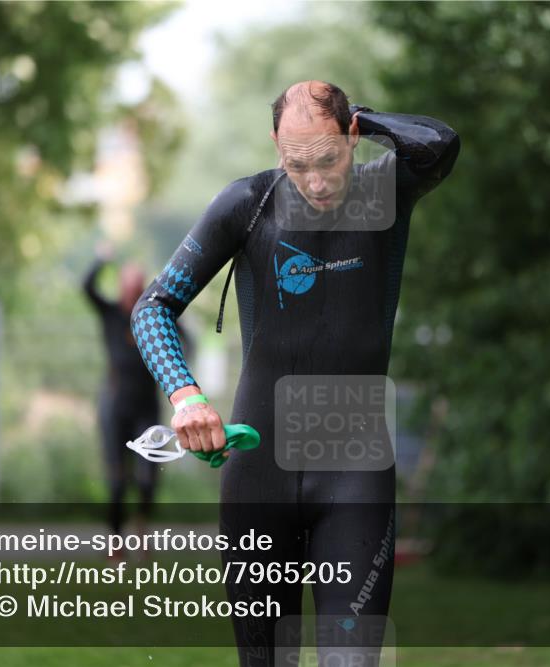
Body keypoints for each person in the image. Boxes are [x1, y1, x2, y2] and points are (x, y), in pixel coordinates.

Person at [132, 80, 459, 665]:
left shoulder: (384, 189)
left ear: (353, 135)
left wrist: (367, 119)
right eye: (296, 163)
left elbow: (441, 142)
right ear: (274, 146)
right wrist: (186, 397)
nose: (314, 181)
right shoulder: (247, 203)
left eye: (328, 159)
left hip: (354, 473)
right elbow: (152, 308)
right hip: (259, 475)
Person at [83, 243, 172, 555]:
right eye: (128, 285)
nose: (133, 291)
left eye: (138, 285)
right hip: (115, 409)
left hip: (146, 409)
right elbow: (87, 287)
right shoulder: (110, 315)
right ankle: (115, 541)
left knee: (147, 479)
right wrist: (101, 259)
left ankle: (142, 526)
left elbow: (181, 338)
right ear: (122, 286)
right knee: (118, 481)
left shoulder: (153, 317)